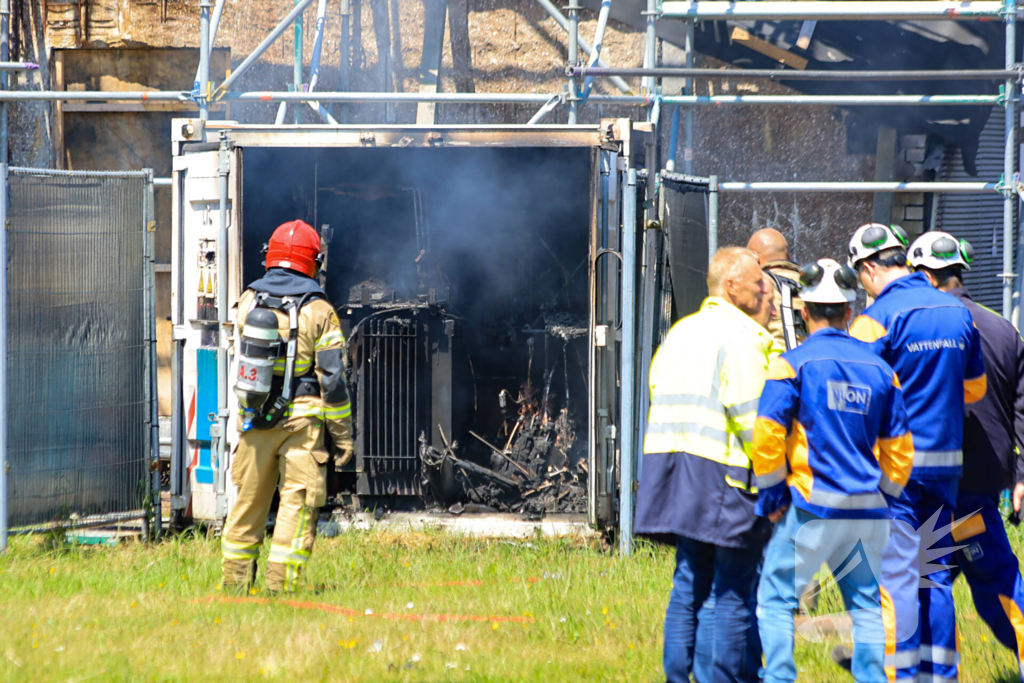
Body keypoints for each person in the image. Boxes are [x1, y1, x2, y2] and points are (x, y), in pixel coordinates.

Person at [753, 258, 914, 683]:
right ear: (849, 313)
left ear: (803, 312)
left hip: (812, 509)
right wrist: (884, 496)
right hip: (866, 510)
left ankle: (780, 678)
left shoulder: (790, 365)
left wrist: (772, 501)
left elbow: (767, 440)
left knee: (775, 598)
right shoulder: (883, 371)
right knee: (864, 606)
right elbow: (899, 452)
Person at [846, 223, 986, 682]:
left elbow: (856, 398)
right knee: (936, 575)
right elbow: (975, 388)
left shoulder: (875, 319)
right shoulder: (956, 312)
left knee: (899, 578)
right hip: (946, 465)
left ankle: (901, 676)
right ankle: (941, 676)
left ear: (868, 269)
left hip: (896, 472)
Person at [635, 246, 774, 683]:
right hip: (726, 478)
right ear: (732, 287)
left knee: (688, 582)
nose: (766, 288)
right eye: (758, 282)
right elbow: (754, 423)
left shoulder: (681, 332)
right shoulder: (742, 340)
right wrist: (777, 484)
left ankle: (678, 676)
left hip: (675, 475)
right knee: (730, 592)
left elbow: (657, 387)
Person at [908, 231, 1024, 682]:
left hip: (945, 483)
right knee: (929, 572)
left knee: (985, 576)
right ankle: (901, 660)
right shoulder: (1002, 327)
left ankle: (926, 668)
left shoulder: (927, 326)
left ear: (923, 275)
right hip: (984, 478)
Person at [220, 220, 355, 593]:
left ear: (271, 256)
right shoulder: (320, 310)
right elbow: (332, 381)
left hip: (253, 422)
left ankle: (234, 585)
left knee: (247, 504)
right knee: (296, 507)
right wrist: (343, 438)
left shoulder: (248, 300)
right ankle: (279, 589)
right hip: (302, 427)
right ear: (315, 262)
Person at [748, 228, 806, 352]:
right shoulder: (811, 283)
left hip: (776, 365)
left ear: (755, 259)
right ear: (789, 257)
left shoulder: (757, 287)